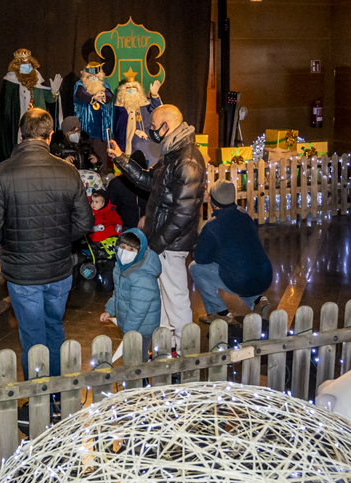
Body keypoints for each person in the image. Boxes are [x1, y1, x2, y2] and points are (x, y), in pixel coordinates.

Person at [0, 108, 93, 380]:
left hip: (22, 272)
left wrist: (10, 242)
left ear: (20, 134)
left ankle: (39, 395)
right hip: (59, 268)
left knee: (33, 335)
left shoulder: (1, 172)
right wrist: (60, 239)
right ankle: (58, 391)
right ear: (50, 136)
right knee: (54, 328)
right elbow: (85, 222)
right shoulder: (68, 171)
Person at [108, 105, 207, 349]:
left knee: (175, 298)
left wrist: (156, 244)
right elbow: (149, 180)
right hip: (160, 241)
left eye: (153, 127)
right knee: (161, 296)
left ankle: (185, 349)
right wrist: (121, 158)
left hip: (170, 244)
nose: (150, 131)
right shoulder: (171, 153)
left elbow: (183, 213)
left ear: (166, 125)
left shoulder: (188, 160)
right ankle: (166, 346)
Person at [189, 180, 272, 333]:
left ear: (214, 203)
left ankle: (219, 313)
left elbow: (201, 258)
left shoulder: (212, 226)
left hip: (241, 280)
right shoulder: (243, 214)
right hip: (265, 275)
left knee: (195, 268)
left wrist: (197, 248)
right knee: (240, 267)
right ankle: (258, 301)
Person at [100, 229, 162, 362]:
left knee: (138, 360)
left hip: (142, 327)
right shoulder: (120, 268)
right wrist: (109, 310)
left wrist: (128, 330)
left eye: (131, 249)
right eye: (122, 247)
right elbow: (118, 292)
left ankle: (142, 375)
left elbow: (139, 309)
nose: (125, 252)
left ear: (140, 252)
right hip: (129, 325)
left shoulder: (142, 276)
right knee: (131, 359)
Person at [106, 149, 150, 230]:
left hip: (144, 227)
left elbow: (157, 204)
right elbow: (109, 206)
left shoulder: (149, 183)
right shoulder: (117, 182)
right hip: (122, 227)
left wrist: (147, 216)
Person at [88, 189, 123, 259]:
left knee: (119, 239)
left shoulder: (110, 210)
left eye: (96, 202)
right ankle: (104, 253)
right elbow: (86, 224)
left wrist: (118, 225)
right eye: (92, 201)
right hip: (98, 232)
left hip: (111, 232)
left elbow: (116, 219)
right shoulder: (90, 212)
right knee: (97, 238)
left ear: (104, 203)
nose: (93, 204)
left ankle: (117, 252)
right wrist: (94, 228)